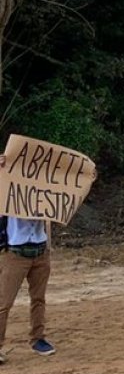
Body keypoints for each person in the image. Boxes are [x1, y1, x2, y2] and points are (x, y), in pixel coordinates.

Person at [0, 156, 56, 363]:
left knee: (39, 298)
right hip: (15, 253)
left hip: (40, 251)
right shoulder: (8, 190)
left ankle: (38, 338)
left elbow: (67, 194)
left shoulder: (45, 190)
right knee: (4, 302)